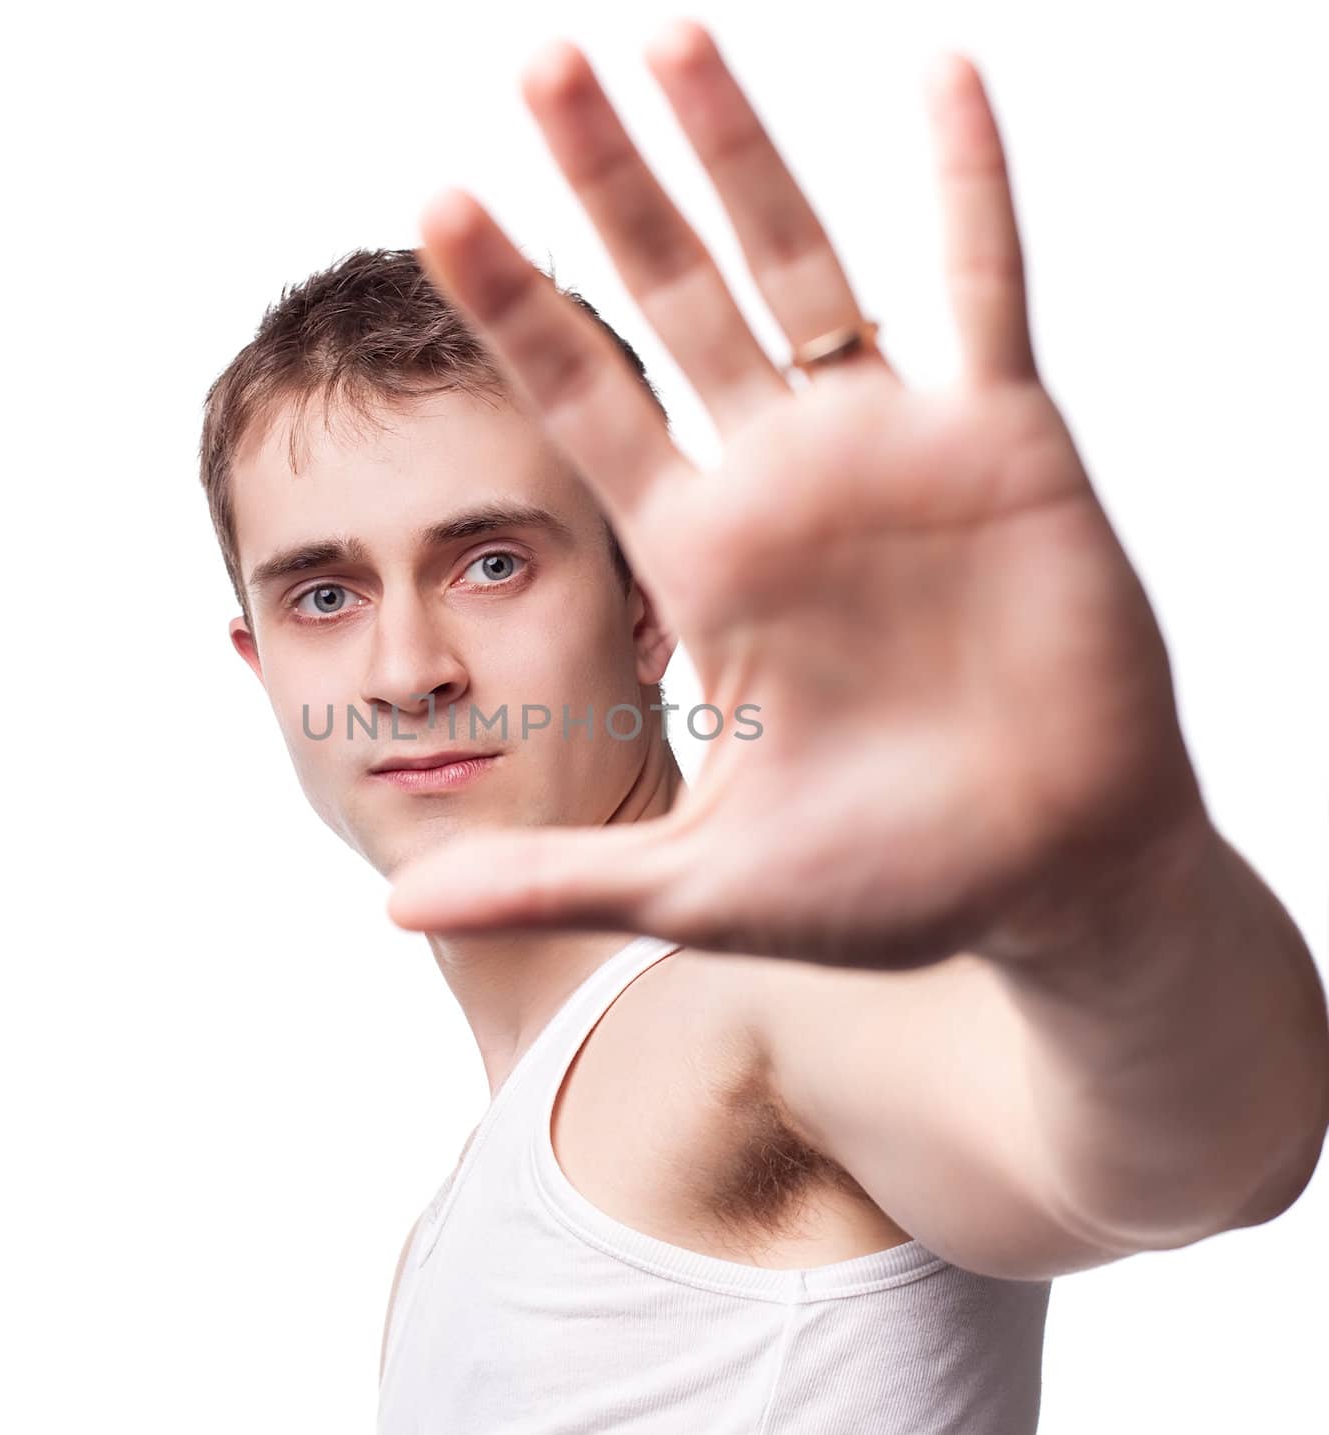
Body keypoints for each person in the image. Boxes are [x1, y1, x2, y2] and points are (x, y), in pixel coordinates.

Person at [196, 21, 1329, 1433]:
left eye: (491, 561)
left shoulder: (750, 998)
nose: (406, 665)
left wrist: (1120, 893)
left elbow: (1204, 1156)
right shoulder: (446, 1228)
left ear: (654, 602)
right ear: (257, 662)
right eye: (323, 592)